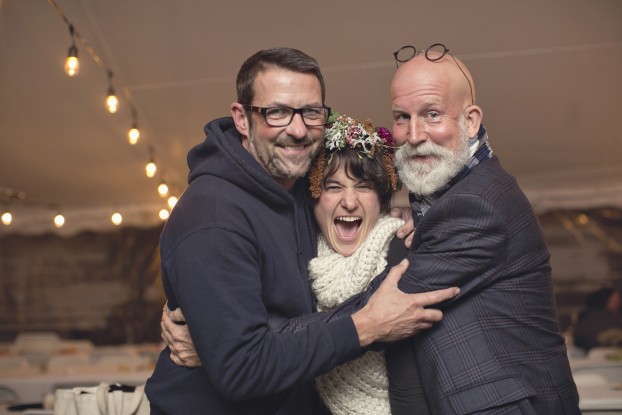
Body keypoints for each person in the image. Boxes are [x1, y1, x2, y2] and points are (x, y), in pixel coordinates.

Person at [145, 47, 458, 415]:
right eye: (276, 112)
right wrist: (365, 326)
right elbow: (242, 369)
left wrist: (400, 214)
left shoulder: (299, 191)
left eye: (310, 112)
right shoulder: (211, 218)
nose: (296, 130)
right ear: (242, 118)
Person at [382, 43, 580, 414]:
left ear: (470, 121)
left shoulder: (477, 202)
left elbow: (388, 304)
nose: (413, 134)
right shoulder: (447, 196)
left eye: (432, 114)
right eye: (401, 117)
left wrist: (284, 340)